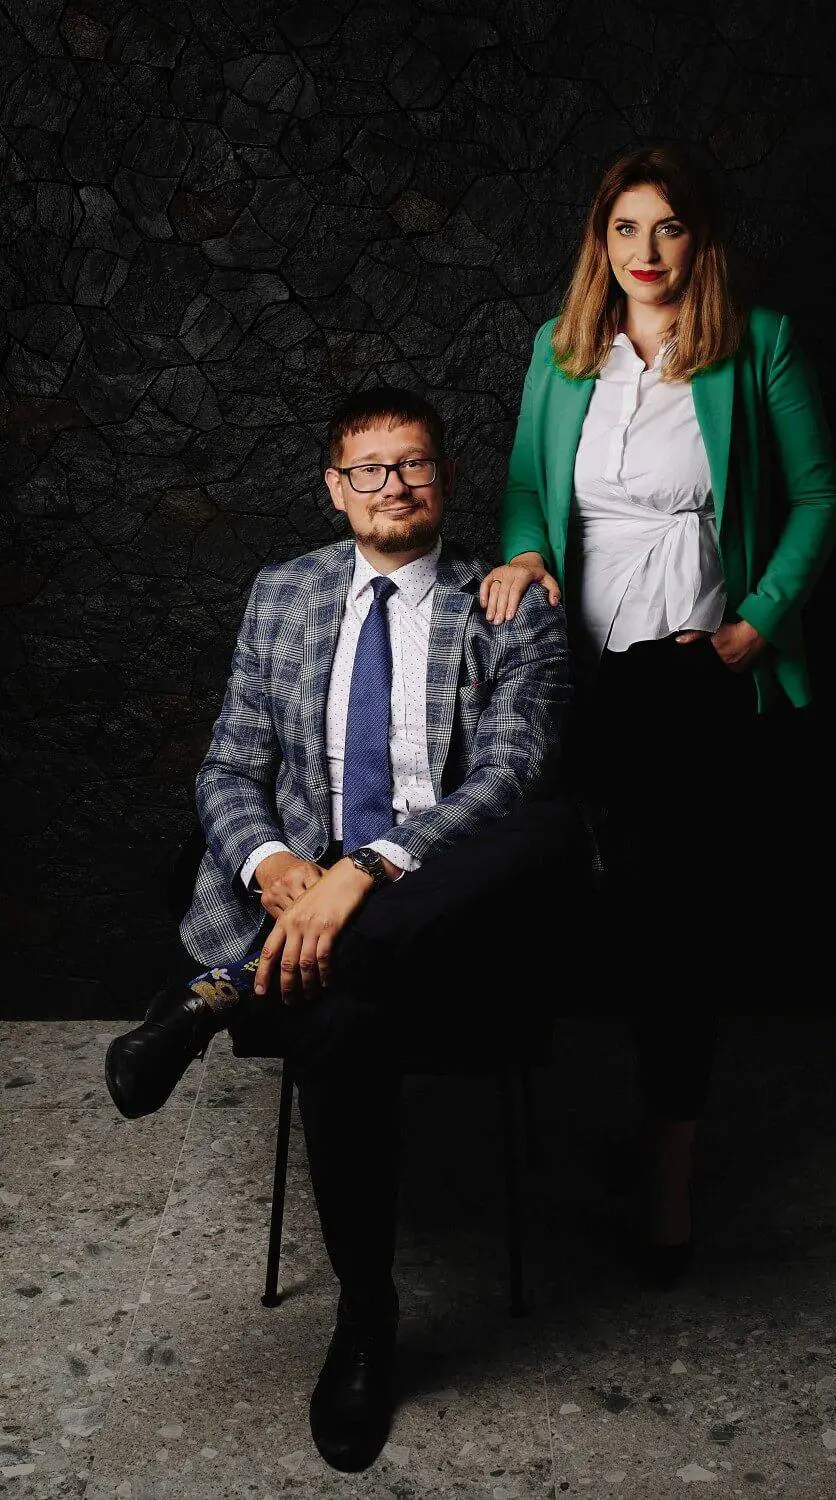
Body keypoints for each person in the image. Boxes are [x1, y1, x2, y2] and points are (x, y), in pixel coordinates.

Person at [104, 388, 588, 1474]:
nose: (392, 486)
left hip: (448, 900)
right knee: (344, 1012)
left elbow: (508, 775)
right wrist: (280, 868)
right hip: (308, 899)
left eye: (413, 465)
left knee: (545, 829)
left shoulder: (508, 603)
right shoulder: (283, 592)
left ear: (445, 480)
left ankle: (220, 992)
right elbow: (230, 765)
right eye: (369, 470)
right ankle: (367, 1312)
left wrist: (365, 873)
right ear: (335, 489)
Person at [479, 143, 836, 1282]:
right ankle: (556, 1133)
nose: (646, 251)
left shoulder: (758, 343)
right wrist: (523, 553)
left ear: (701, 239)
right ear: (601, 240)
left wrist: (754, 627)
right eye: (625, 227)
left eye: (669, 227)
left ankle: (670, 1175)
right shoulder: (561, 348)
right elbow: (527, 487)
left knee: (676, 931)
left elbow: (819, 496)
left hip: (689, 674)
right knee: (565, 903)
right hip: (570, 672)